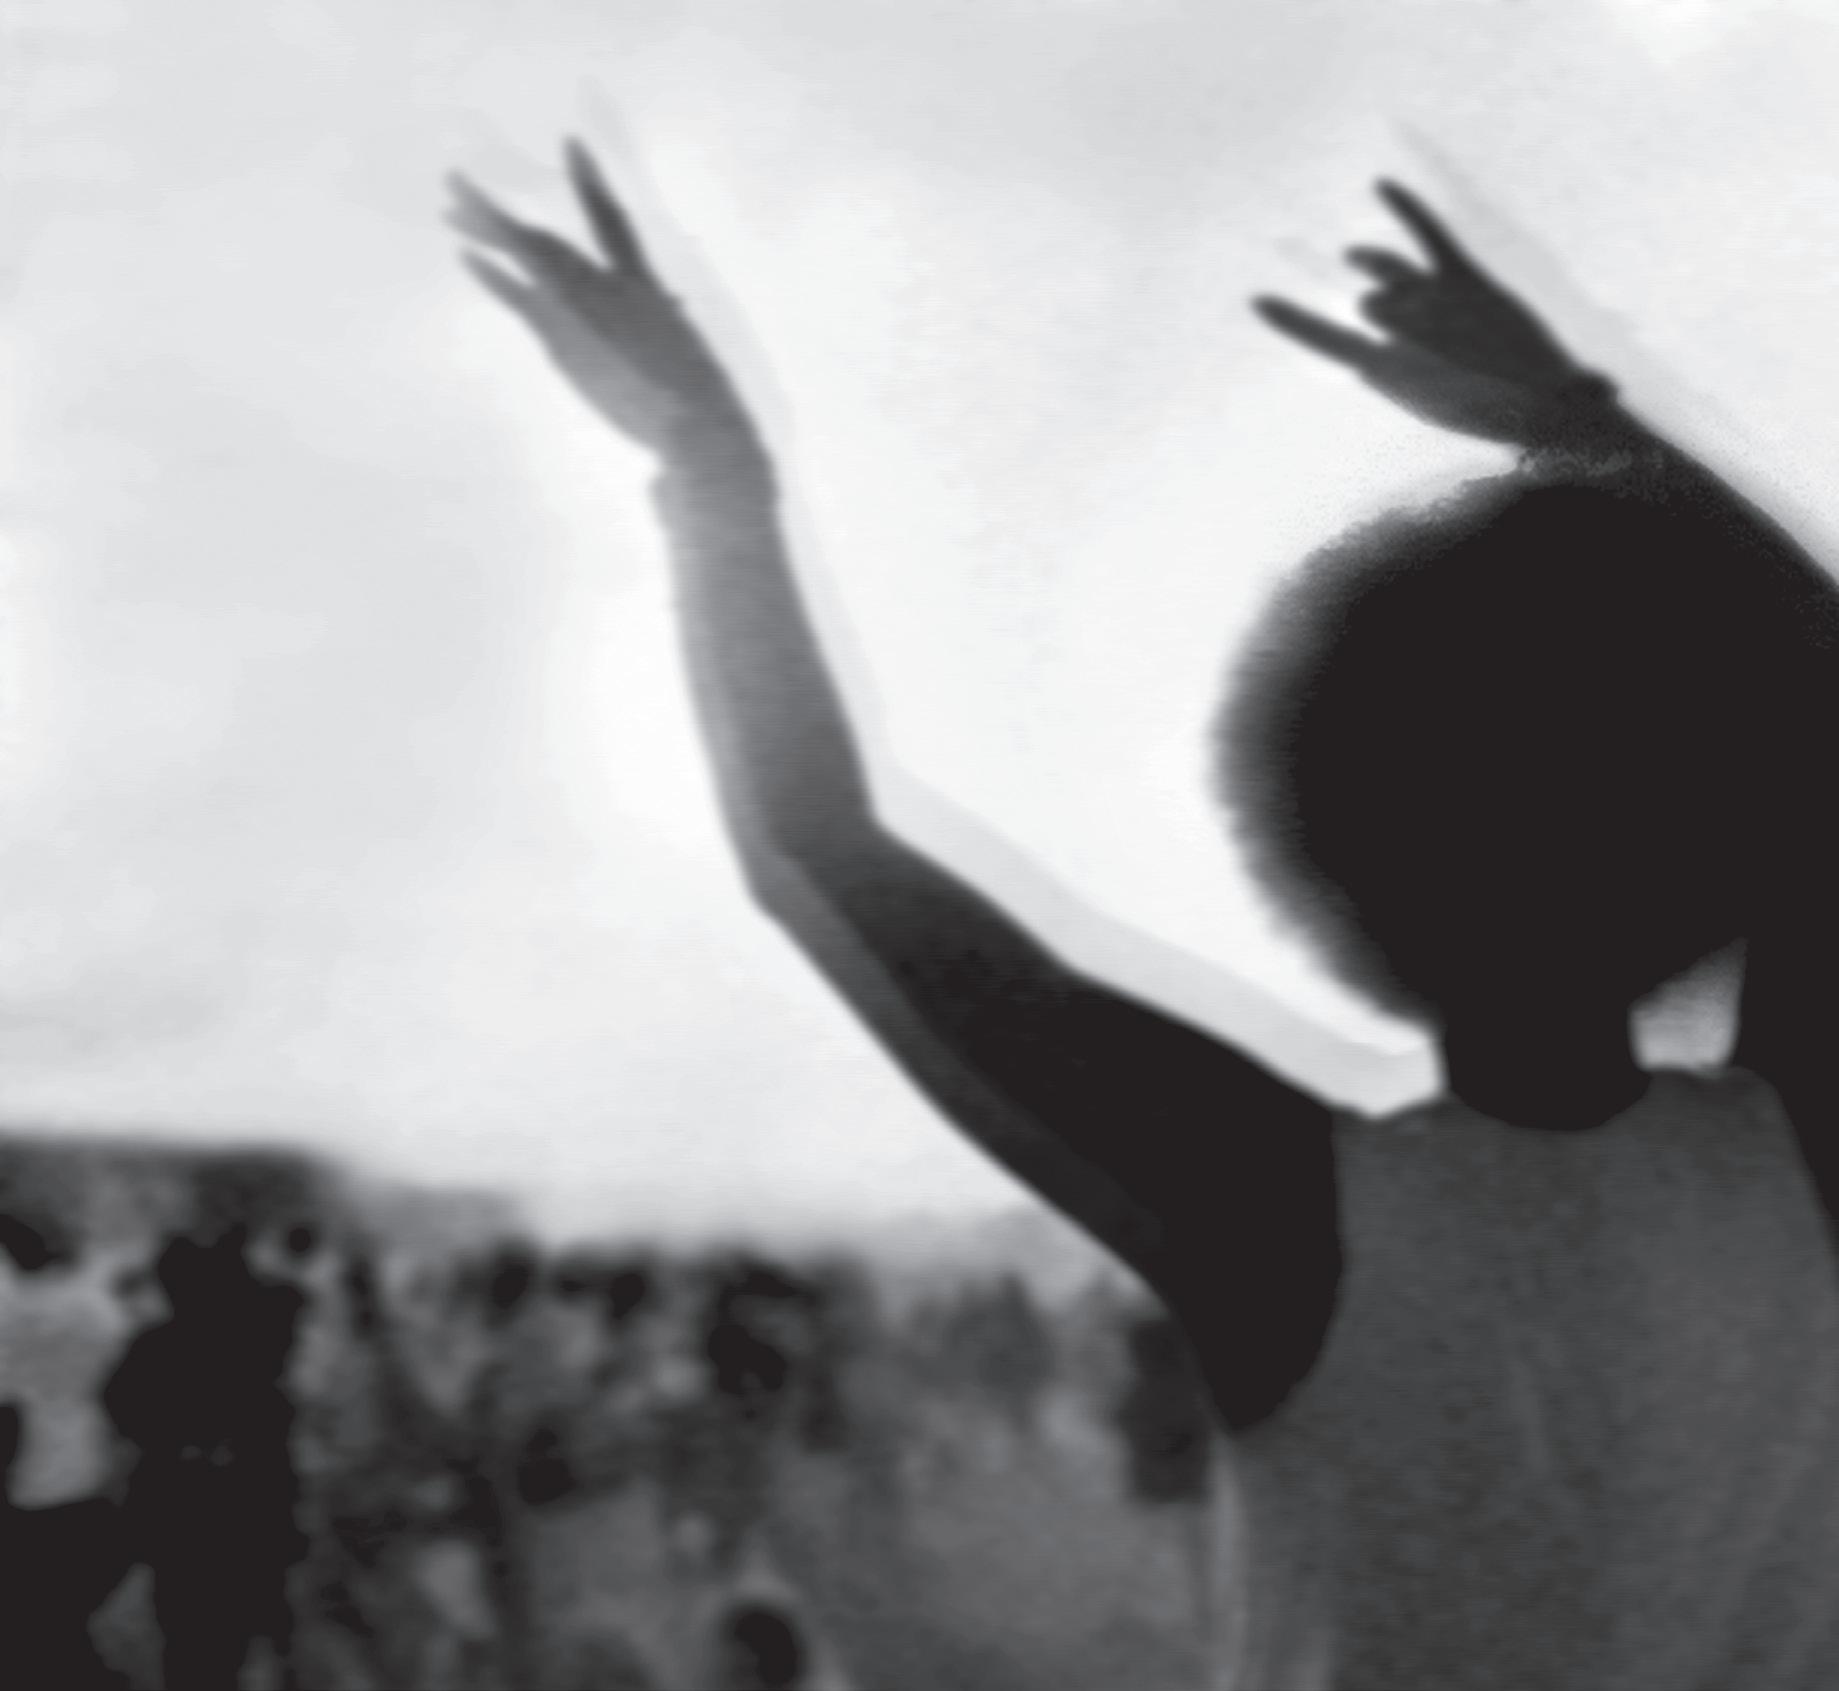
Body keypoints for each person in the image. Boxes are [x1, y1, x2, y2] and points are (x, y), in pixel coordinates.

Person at [450, 149, 1839, 1687]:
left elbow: (818, 851)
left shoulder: (1283, 1214)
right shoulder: (1798, 1157)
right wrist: (1581, 425)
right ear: (1696, 843)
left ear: (1347, 857)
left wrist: (712, 467)